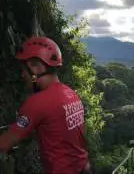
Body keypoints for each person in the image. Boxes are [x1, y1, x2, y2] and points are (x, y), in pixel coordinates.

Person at [0, 37, 93, 174]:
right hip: (85, 168)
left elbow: (5, 143)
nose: (22, 75)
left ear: (36, 66)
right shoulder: (71, 94)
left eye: (24, 69)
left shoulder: (37, 102)